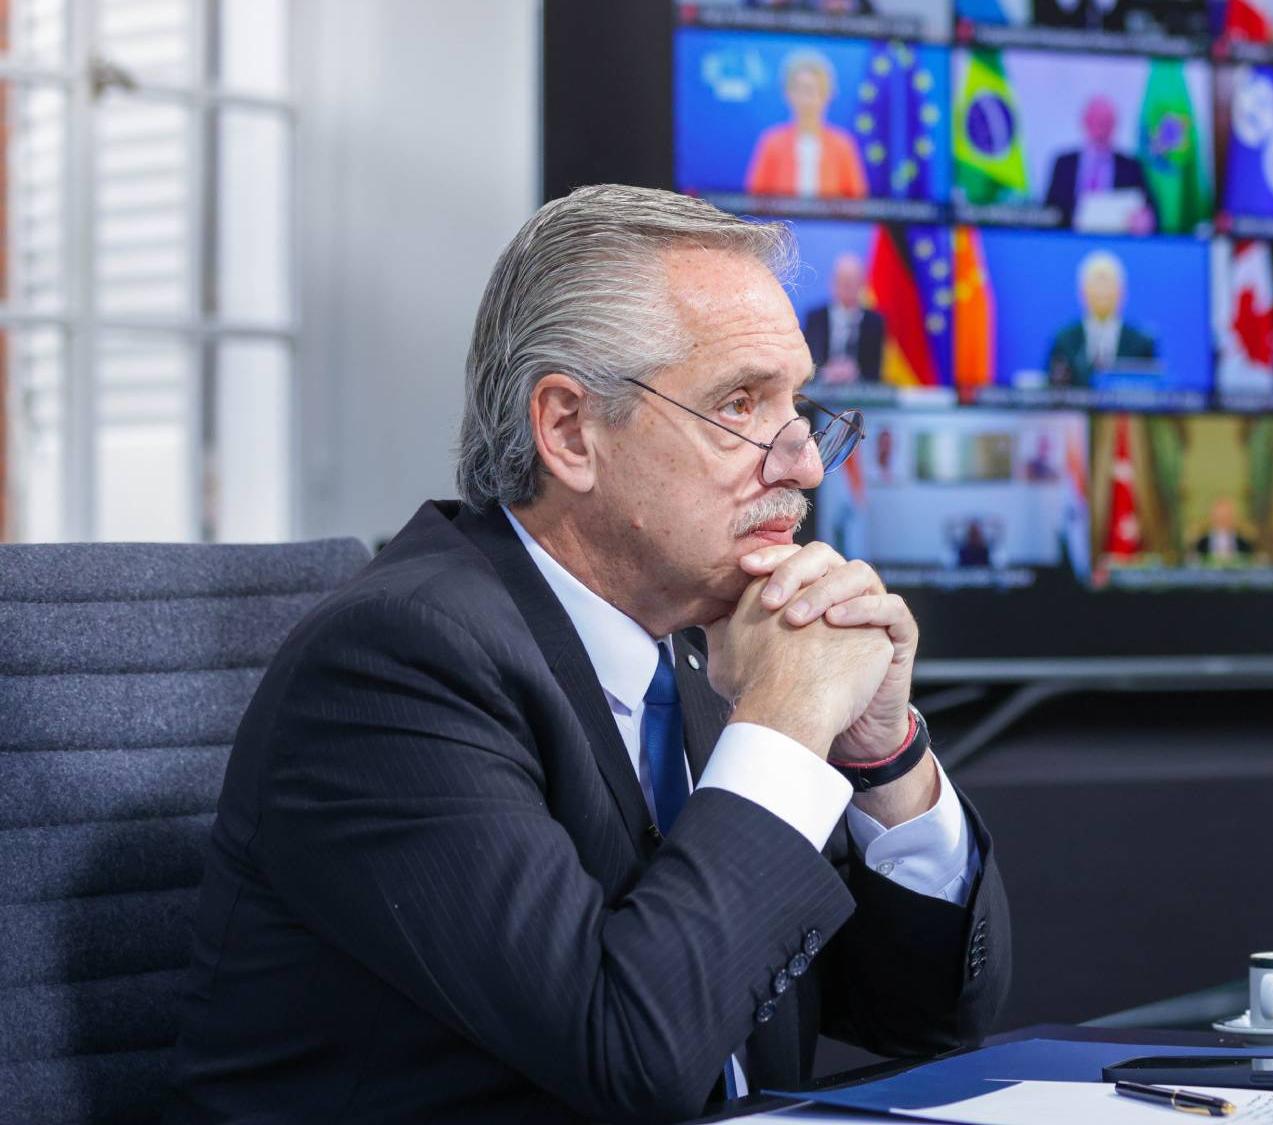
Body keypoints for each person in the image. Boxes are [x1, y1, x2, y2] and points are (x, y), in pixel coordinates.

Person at [167, 186, 1009, 1123]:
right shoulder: (397, 666)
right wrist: (783, 725)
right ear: (569, 431)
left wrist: (881, 757)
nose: (805, 463)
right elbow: (635, 1056)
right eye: (741, 402)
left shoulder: (700, 649)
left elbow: (924, 1018)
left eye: (798, 405)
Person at [744, 49, 868, 199]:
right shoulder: (771, 143)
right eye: (801, 90)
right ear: (788, 94)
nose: (808, 100)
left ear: (828, 95)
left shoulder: (843, 145)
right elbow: (754, 201)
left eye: (814, 91)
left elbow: (858, 203)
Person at [1043, 95, 1158, 234]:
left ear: (1115, 126)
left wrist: (1145, 220)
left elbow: (1151, 212)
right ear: (1084, 123)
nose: (1100, 129)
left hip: (1116, 242)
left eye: (1106, 123)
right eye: (1095, 122)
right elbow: (1049, 212)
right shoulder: (1064, 164)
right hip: (1071, 240)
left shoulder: (1131, 167)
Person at [1045, 250, 1158, 386]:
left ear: (1122, 292)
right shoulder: (1064, 340)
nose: (1102, 291)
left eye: (1107, 284)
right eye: (1096, 283)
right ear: (1082, 293)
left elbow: (1153, 394)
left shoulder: (1141, 343)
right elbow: (1051, 390)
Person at [803, 253, 885, 383]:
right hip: (821, 393)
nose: (847, 286)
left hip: (860, 395)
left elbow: (875, 372)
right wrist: (826, 371)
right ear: (833, 283)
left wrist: (855, 373)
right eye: (843, 280)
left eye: (852, 281)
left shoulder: (874, 322)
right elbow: (807, 365)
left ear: (862, 284)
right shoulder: (815, 319)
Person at [1188, 496, 1257, 563]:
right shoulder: (1200, 545)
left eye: (1226, 517)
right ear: (1212, 518)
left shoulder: (1245, 545)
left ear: (1233, 518)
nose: (1223, 520)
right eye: (1219, 517)